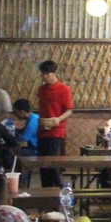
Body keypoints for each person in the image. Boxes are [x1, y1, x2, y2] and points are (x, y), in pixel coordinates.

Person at [36, 60, 73, 188]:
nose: (45, 77)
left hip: (56, 131)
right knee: (42, 164)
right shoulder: (41, 89)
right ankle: (45, 192)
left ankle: (61, 189)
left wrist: (58, 119)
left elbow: (69, 110)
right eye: (43, 74)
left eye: (47, 74)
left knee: (51, 163)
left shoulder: (64, 89)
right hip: (42, 130)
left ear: (54, 73)